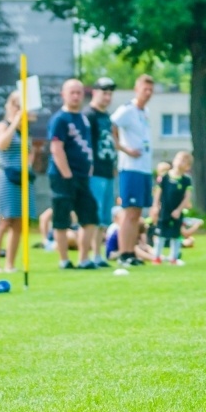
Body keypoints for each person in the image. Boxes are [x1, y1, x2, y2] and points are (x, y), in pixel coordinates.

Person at [48, 78, 99, 269]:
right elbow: (56, 148)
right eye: (72, 92)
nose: (76, 96)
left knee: (90, 216)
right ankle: (64, 260)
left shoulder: (84, 119)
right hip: (63, 177)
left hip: (83, 176)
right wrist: (67, 175)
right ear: (64, 95)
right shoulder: (60, 119)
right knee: (62, 218)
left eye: (79, 92)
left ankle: (84, 259)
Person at [111, 74, 154, 267]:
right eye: (145, 89)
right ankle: (124, 253)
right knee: (128, 213)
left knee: (137, 214)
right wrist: (124, 148)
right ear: (136, 89)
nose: (148, 93)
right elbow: (110, 126)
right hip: (130, 168)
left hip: (144, 168)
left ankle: (131, 253)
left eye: (151, 90)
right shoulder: (126, 110)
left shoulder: (145, 111)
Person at [0, 91, 35, 274]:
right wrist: (15, 120)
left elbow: (29, 152)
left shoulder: (24, 130)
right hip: (5, 179)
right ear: (10, 105)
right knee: (2, 221)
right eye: (16, 104)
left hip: (21, 179)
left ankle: (10, 263)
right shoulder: (3, 126)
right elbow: (2, 144)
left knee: (19, 222)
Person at [83, 77, 118, 268]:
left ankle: (98, 255)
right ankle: (87, 255)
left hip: (106, 170)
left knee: (104, 217)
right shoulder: (89, 115)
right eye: (104, 93)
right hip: (94, 171)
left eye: (110, 93)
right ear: (95, 92)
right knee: (93, 215)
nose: (107, 97)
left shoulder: (106, 116)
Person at [150, 151, 193, 265]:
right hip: (164, 211)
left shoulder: (186, 180)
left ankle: (173, 258)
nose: (180, 162)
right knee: (160, 234)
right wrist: (155, 206)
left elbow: (187, 197)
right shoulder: (164, 177)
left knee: (176, 234)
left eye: (184, 161)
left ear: (187, 166)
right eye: (179, 159)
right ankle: (156, 257)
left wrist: (179, 210)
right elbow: (158, 192)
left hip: (177, 212)